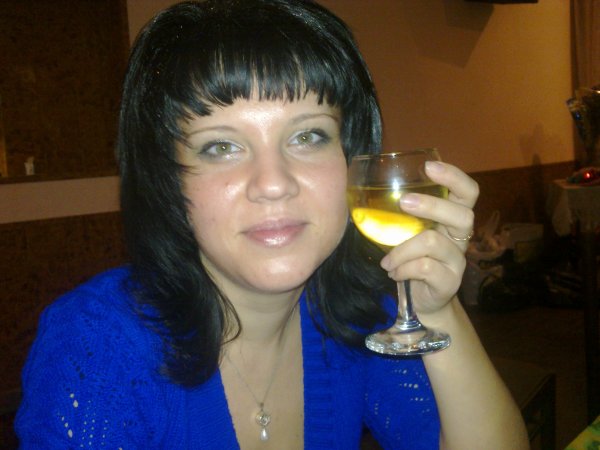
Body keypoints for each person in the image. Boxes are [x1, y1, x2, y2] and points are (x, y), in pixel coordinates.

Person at [15, 1, 529, 448]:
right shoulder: (99, 344)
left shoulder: (358, 318)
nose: (273, 183)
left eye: (307, 137)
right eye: (221, 146)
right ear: (167, 180)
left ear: (352, 160)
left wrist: (437, 310)